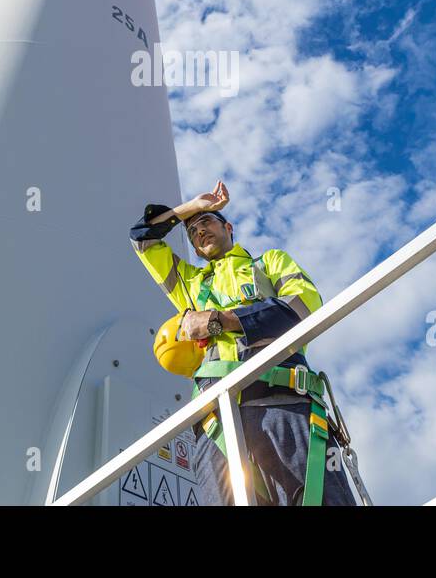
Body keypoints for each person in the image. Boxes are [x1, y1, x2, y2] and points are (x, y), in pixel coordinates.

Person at [129, 180, 358, 505]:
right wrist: (193, 207)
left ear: (229, 227)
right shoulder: (190, 284)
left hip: (285, 404)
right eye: (192, 232)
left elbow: (304, 306)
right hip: (217, 426)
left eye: (206, 222)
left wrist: (221, 320)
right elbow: (142, 237)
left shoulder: (268, 264)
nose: (199, 232)